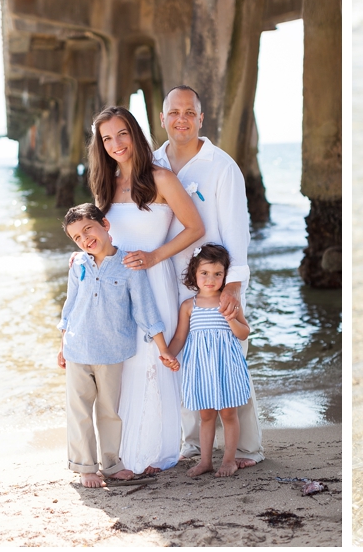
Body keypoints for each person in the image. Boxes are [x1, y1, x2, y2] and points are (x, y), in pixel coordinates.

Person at [87, 106, 204, 475]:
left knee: (149, 363)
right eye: (107, 138)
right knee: (121, 366)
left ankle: (153, 452)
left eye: (122, 133)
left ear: (134, 133)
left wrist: (154, 256)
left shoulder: (161, 178)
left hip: (153, 283)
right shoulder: (104, 183)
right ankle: (122, 453)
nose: (116, 144)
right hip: (114, 289)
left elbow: (194, 227)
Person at [154, 85, 264, 466]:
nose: (181, 119)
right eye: (174, 112)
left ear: (200, 119)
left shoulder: (221, 165)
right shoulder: (153, 163)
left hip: (217, 281)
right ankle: (192, 445)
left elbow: (237, 228)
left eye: (189, 112)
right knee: (188, 361)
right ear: (163, 117)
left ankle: (248, 448)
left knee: (233, 362)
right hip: (171, 281)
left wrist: (232, 283)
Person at [58, 204, 178, 488]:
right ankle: (85, 467)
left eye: (88, 229)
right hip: (77, 349)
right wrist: (62, 344)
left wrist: (163, 348)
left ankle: (111, 464)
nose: (84, 238)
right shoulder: (78, 265)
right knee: (79, 411)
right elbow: (70, 306)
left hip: (112, 352)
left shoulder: (129, 265)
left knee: (110, 411)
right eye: (77, 237)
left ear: (105, 225)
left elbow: (145, 310)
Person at [168, 244, 252, 478]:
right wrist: (168, 354)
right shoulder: (189, 306)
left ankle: (229, 460)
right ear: (195, 273)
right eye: (204, 273)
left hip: (226, 366)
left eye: (217, 274)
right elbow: (180, 337)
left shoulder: (230, 303)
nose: (211, 279)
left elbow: (244, 333)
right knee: (205, 416)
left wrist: (231, 319)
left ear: (225, 275)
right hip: (201, 369)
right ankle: (205, 461)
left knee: (228, 414)